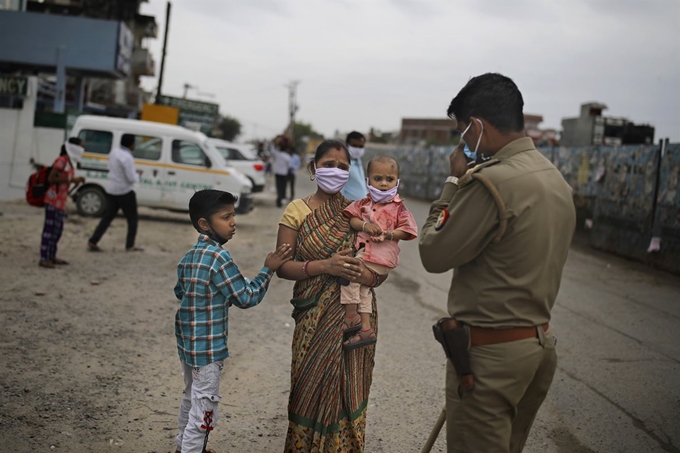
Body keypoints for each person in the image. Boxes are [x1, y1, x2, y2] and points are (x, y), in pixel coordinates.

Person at [419, 73, 576, 453]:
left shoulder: (493, 182)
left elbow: (432, 252)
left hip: (491, 359)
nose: (463, 143)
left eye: (462, 132)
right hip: (536, 348)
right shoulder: (552, 177)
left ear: (476, 126)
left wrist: (452, 184)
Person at [276, 140, 388, 452]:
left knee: (348, 386)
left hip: (352, 318)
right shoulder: (296, 210)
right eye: (328, 164)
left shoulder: (359, 212)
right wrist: (325, 266)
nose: (335, 171)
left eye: (342, 166)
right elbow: (283, 266)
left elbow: (382, 268)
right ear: (313, 169)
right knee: (307, 385)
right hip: (313, 314)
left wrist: (364, 275)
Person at [173, 189, 292, 453]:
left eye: (233, 215)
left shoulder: (190, 256)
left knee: (190, 396)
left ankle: (183, 446)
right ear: (205, 224)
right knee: (204, 406)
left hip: (187, 343)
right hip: (208, 347)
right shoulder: (219, 257)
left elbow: (180, 291)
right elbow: (246, 297)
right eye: (226, 217)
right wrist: (268, 269)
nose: (233, 222)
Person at [341, 155, 418, 349]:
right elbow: (352, 219)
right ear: (368, 181)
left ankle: (350, 316)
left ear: (397, 181)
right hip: (368, 254)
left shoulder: (399, 208)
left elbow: (409, 231)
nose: (384, 183)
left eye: (389, 179)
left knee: (349, 272)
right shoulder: (363, 203)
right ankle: (366, 328)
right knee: (363, 289)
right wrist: (365, 225)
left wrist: (388, 235)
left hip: (379, 258)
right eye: (378, 178)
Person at [87, 134, 143, 252]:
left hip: (112, 189)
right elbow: (131, 178)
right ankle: (129, 245)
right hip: (125, 191)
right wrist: (138, 175)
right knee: (132, 219)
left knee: (107, 217)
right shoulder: (128, 157)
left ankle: (93, 240)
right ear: (131, 144)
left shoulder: (114, 152)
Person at [39, 138, 86, 268]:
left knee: (57, 230)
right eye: (80, 147)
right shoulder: (62, 161)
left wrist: (73, 180)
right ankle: (44, 258)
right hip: (53, 200)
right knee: (49, 230)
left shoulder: (69, 162)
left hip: (60, 201)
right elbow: (51, 179)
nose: (82, 150)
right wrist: (71, 179)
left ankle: (52, 256)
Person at [340, 131, 367, 201]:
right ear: (346, 145)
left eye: (361, 146)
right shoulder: (342, 164)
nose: (358, 149)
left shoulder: (358, 162)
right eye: (354, 146)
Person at [270, 134, 292, 207]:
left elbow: (272, 151)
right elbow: (289, 166)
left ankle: (279, 199)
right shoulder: (287, 157)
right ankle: (282, 198)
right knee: (283, 187)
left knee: (278, 187)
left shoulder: (277, 154)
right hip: (284, 174)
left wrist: (273, 143)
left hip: (277, 173)